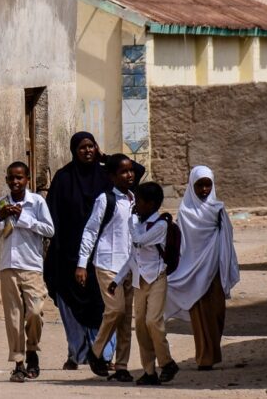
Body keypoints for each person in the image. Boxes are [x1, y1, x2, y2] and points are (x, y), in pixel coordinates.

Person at [43, 132, 110, 370]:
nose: (87, 151)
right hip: (67, 254)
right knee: (69, 304)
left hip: (100, 255)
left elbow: (136, 173)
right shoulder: (63, 178)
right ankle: (77, 353)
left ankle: (102, 353)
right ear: (74, 150)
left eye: (91, 146)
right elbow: (52, 216)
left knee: (101, 304)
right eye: (82, 147)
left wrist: (106, 158)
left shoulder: (106, 176)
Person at [166, 165, 240, 372]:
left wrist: (225, 265)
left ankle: (213, 352)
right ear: (192, 186)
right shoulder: (185, 211)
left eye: (208, 185)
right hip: (193, 271)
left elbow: (227, 238)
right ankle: (204, 358)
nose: (204, 190)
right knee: (200, 316)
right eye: (200, 185)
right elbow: (182, 244)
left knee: (216, 313)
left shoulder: (218, 210)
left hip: (215, 269)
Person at [75, 153, 138, 382]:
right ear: (111, 176)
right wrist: (82, 263)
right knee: (116, 309)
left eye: (130, 170)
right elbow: (90, 231)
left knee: (125, 318)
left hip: (130, 266)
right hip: (107, 264)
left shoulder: (134, 199)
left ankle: (121, 365)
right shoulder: (105, 199)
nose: (129, 174)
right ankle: (96, 351)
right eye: (123, 171)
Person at [0, 162, 55, 382]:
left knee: (35, 311)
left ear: (27, 179)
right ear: (7, 180)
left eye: (20, 178)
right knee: (14, 317)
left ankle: (32, 350)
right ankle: (18, 363)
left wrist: (24, 219)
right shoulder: (2, 202)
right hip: (8, 267)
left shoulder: (36, 202)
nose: (15, 182)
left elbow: (50, 229)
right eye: (11, 178)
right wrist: (0, 217)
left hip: (32, 267)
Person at [112, 181, 178, 385]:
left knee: (153, 322)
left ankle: (167, 363)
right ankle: (149, 371)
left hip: (157, 277)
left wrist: (131, 221)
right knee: (140, 325)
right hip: (140, 281)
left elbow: (139, 241)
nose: (135, 205)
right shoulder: (140, 223)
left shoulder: (160, 225)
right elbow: (134, 256)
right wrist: (117, 279)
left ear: (149, 204)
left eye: (138, 201)